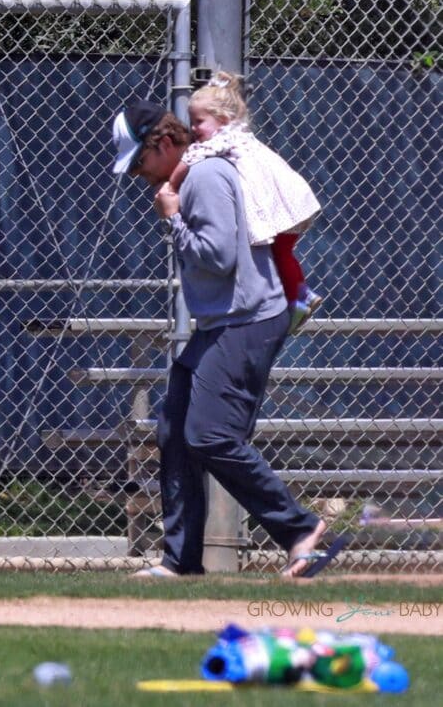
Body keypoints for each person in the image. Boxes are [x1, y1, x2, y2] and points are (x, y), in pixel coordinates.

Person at [111, 98, 336, 579]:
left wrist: (171, 218)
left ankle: (300, 529)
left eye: (140, 162)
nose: (137, 176)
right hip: (222, 323)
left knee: (210, 434)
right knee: (174, 430)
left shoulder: (206, 178)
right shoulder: (190, 177)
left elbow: (217, 257)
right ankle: (180, 561)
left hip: (248, 320)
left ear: (166, 142)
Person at [168, 71, 322, 333]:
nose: (193, 129)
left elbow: (194, 154)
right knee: (281, 252)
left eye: (199, 121)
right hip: (283, 205)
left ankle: (299, 297)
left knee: (279, 253)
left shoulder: (224, 138)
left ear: (223, 119)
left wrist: (171, 184)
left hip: (276, 208)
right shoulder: (237, 134)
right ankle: (298, 295)